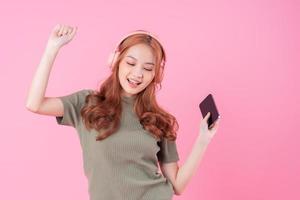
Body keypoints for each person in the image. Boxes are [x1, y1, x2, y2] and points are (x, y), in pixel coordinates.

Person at [25, 24, 220, 200]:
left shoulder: (160, 120)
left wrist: (203, 139)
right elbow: (35, 104)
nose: (137, 74)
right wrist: (51, 49)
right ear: (116, 60)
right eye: (131, 63)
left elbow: (177, 185)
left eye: (147, 68)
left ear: (155, 74)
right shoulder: (87, 103)